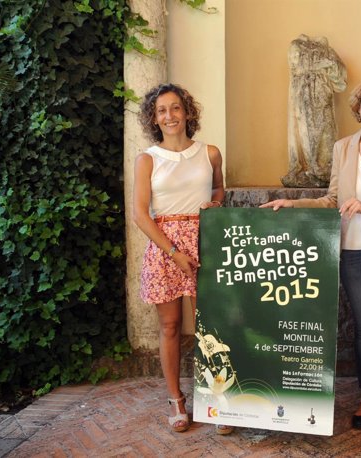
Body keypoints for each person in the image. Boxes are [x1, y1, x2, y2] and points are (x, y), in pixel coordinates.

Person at [261, 76, 361, 438]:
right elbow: (332, 200)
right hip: (351, 250)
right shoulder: (343, 148)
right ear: (358, 107)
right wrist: (294, 203)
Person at [132, 83, 233, 435]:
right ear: (154, 118)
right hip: (166, 248)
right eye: (161, 110)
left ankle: (218, 400)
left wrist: (217, 203)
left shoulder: (211, 153)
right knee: (171, 326)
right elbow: (141, 215)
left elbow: (219, 189)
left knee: (210, 327)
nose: (169, 116)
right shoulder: (147, 159)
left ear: (187, 112)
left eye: (175, 108)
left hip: (205, 242)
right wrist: (174, 253)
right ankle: (176, 399)